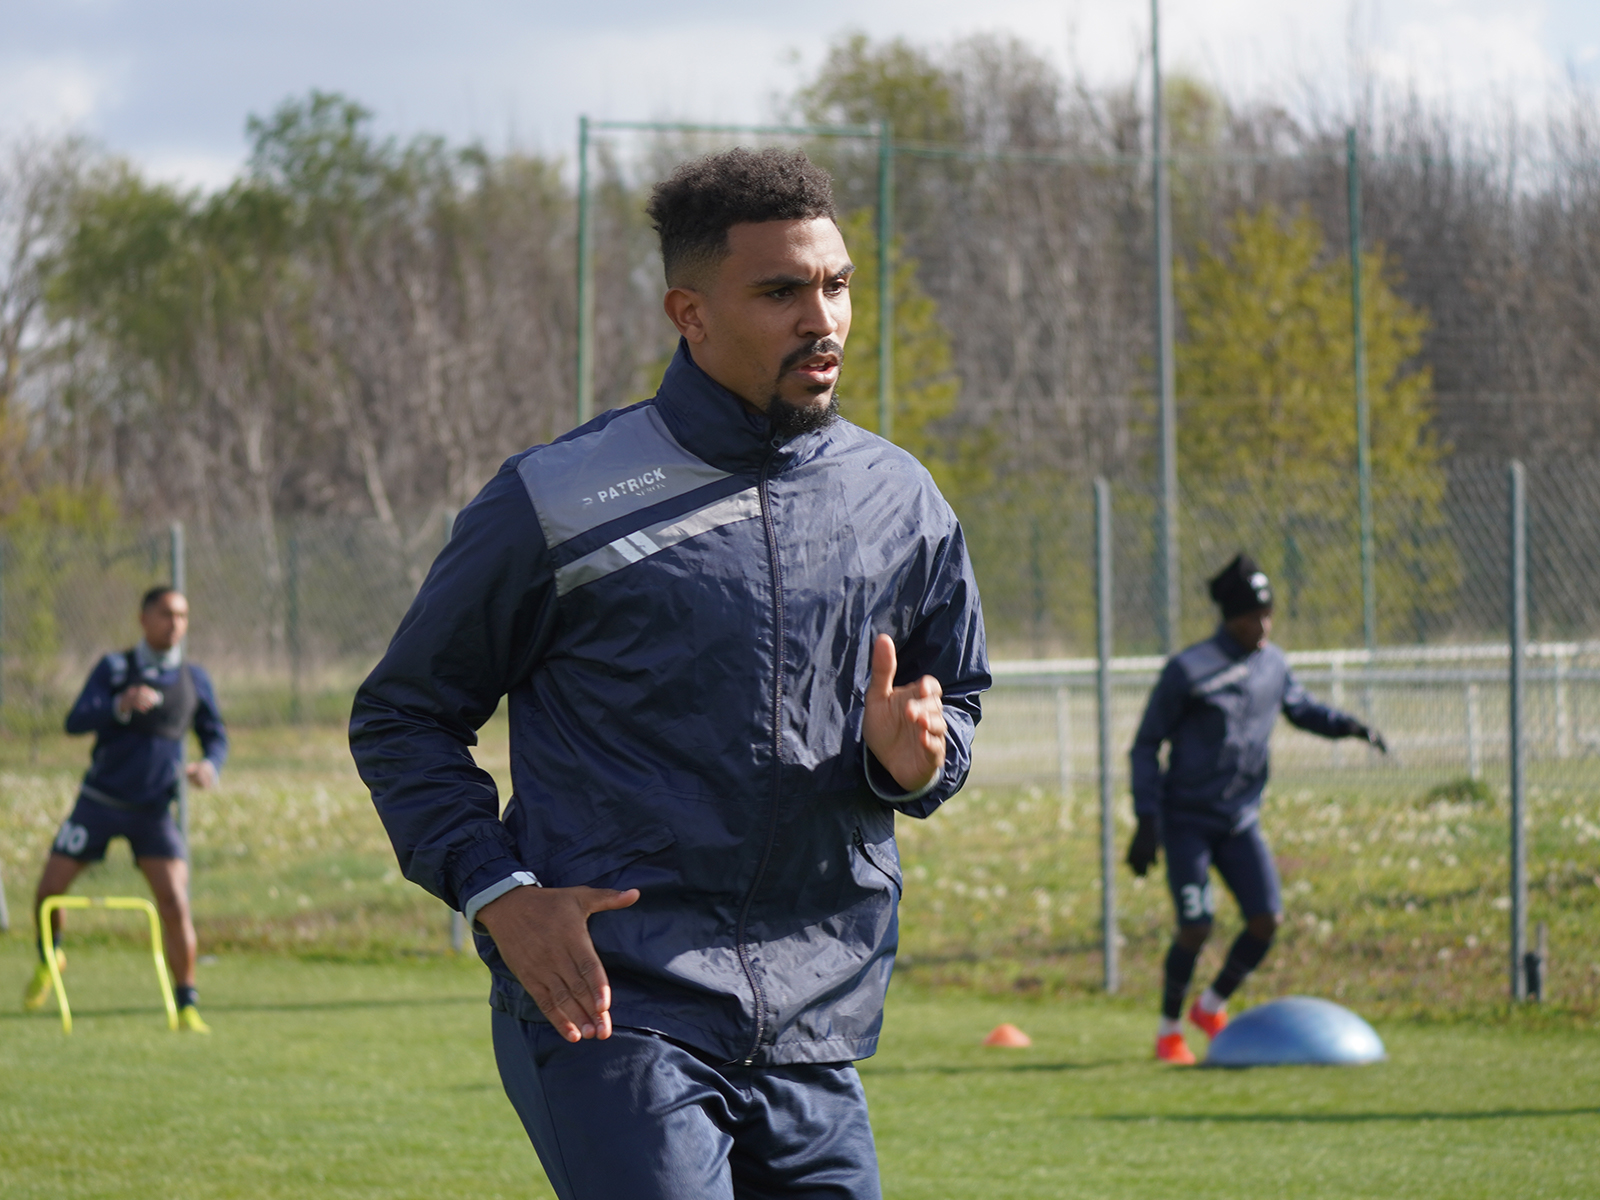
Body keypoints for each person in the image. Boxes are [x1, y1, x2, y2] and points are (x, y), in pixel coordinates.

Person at [350, 147, 988, 1200]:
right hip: (612, 1004)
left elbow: (948, 702)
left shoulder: (900, 499)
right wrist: (498, 892)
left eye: (834, 286)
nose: (819, 319)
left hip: (815, 1019)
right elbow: (405, 716)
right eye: (780, 291)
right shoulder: (555, 500)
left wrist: (918, 763)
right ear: (687, 313)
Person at [1126, 554, 1386, 1065]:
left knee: (1266, 919)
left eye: (1269, 615)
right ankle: (1169, 1031)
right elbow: (1145, 744)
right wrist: (1147, 819)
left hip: (1240, 820)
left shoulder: (1274, 663)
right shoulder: (1189, 670)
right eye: (1252, 617)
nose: (1263, 626)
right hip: (1188, 823)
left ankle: (1211, 1005)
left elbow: (1303, 709)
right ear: (1229, 617)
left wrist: (1352, 726)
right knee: (1196, 926)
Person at [24, 586, 228, 1032]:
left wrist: (209, 767)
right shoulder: (115, 668)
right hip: (98, 803)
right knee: (47, 892)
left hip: (153, 812)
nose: (175, 624)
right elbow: (75, 720)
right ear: (143, 619)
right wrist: (119, 705)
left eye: (182, 616)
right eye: (166, 614)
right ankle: (50, 957)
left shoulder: (194, 678)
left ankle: (187, 1005)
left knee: (175, 903)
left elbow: (216, 736)